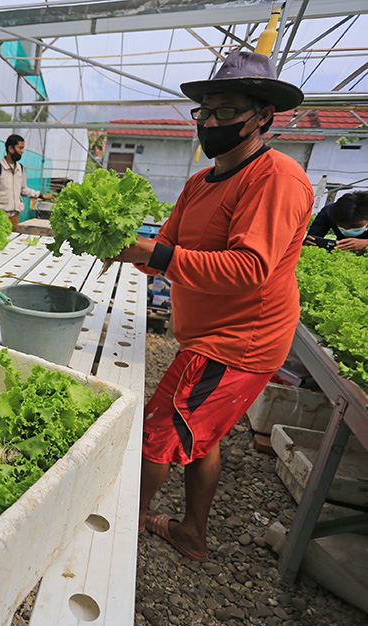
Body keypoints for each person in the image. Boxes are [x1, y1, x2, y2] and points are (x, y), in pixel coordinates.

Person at [110, 52, 313, 562]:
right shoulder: (199, 183)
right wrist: (122, 244)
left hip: (238, 342)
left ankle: (118, 526)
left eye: (226, 112)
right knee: (202, 435)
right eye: (205, 112)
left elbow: (249, 269)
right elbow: (166, 252)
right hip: (208, 334)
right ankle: (191, 534)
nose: (211, 123)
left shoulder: (277, 178)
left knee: (159, 431)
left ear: (263, 115)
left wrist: (150, 253)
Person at [0, 134, 53, 229]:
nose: (22, 151)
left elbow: (23, 190)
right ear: (10, 148)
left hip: (15, 217)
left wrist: (41, 195)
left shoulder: (20, 168)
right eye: (20, 148)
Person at [304, 190, 368, 252]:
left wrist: (366, 243)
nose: (347, 230)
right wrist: (311, 243)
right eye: (342, 226)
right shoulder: (328, 212)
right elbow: (311, 238)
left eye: (355, 225)